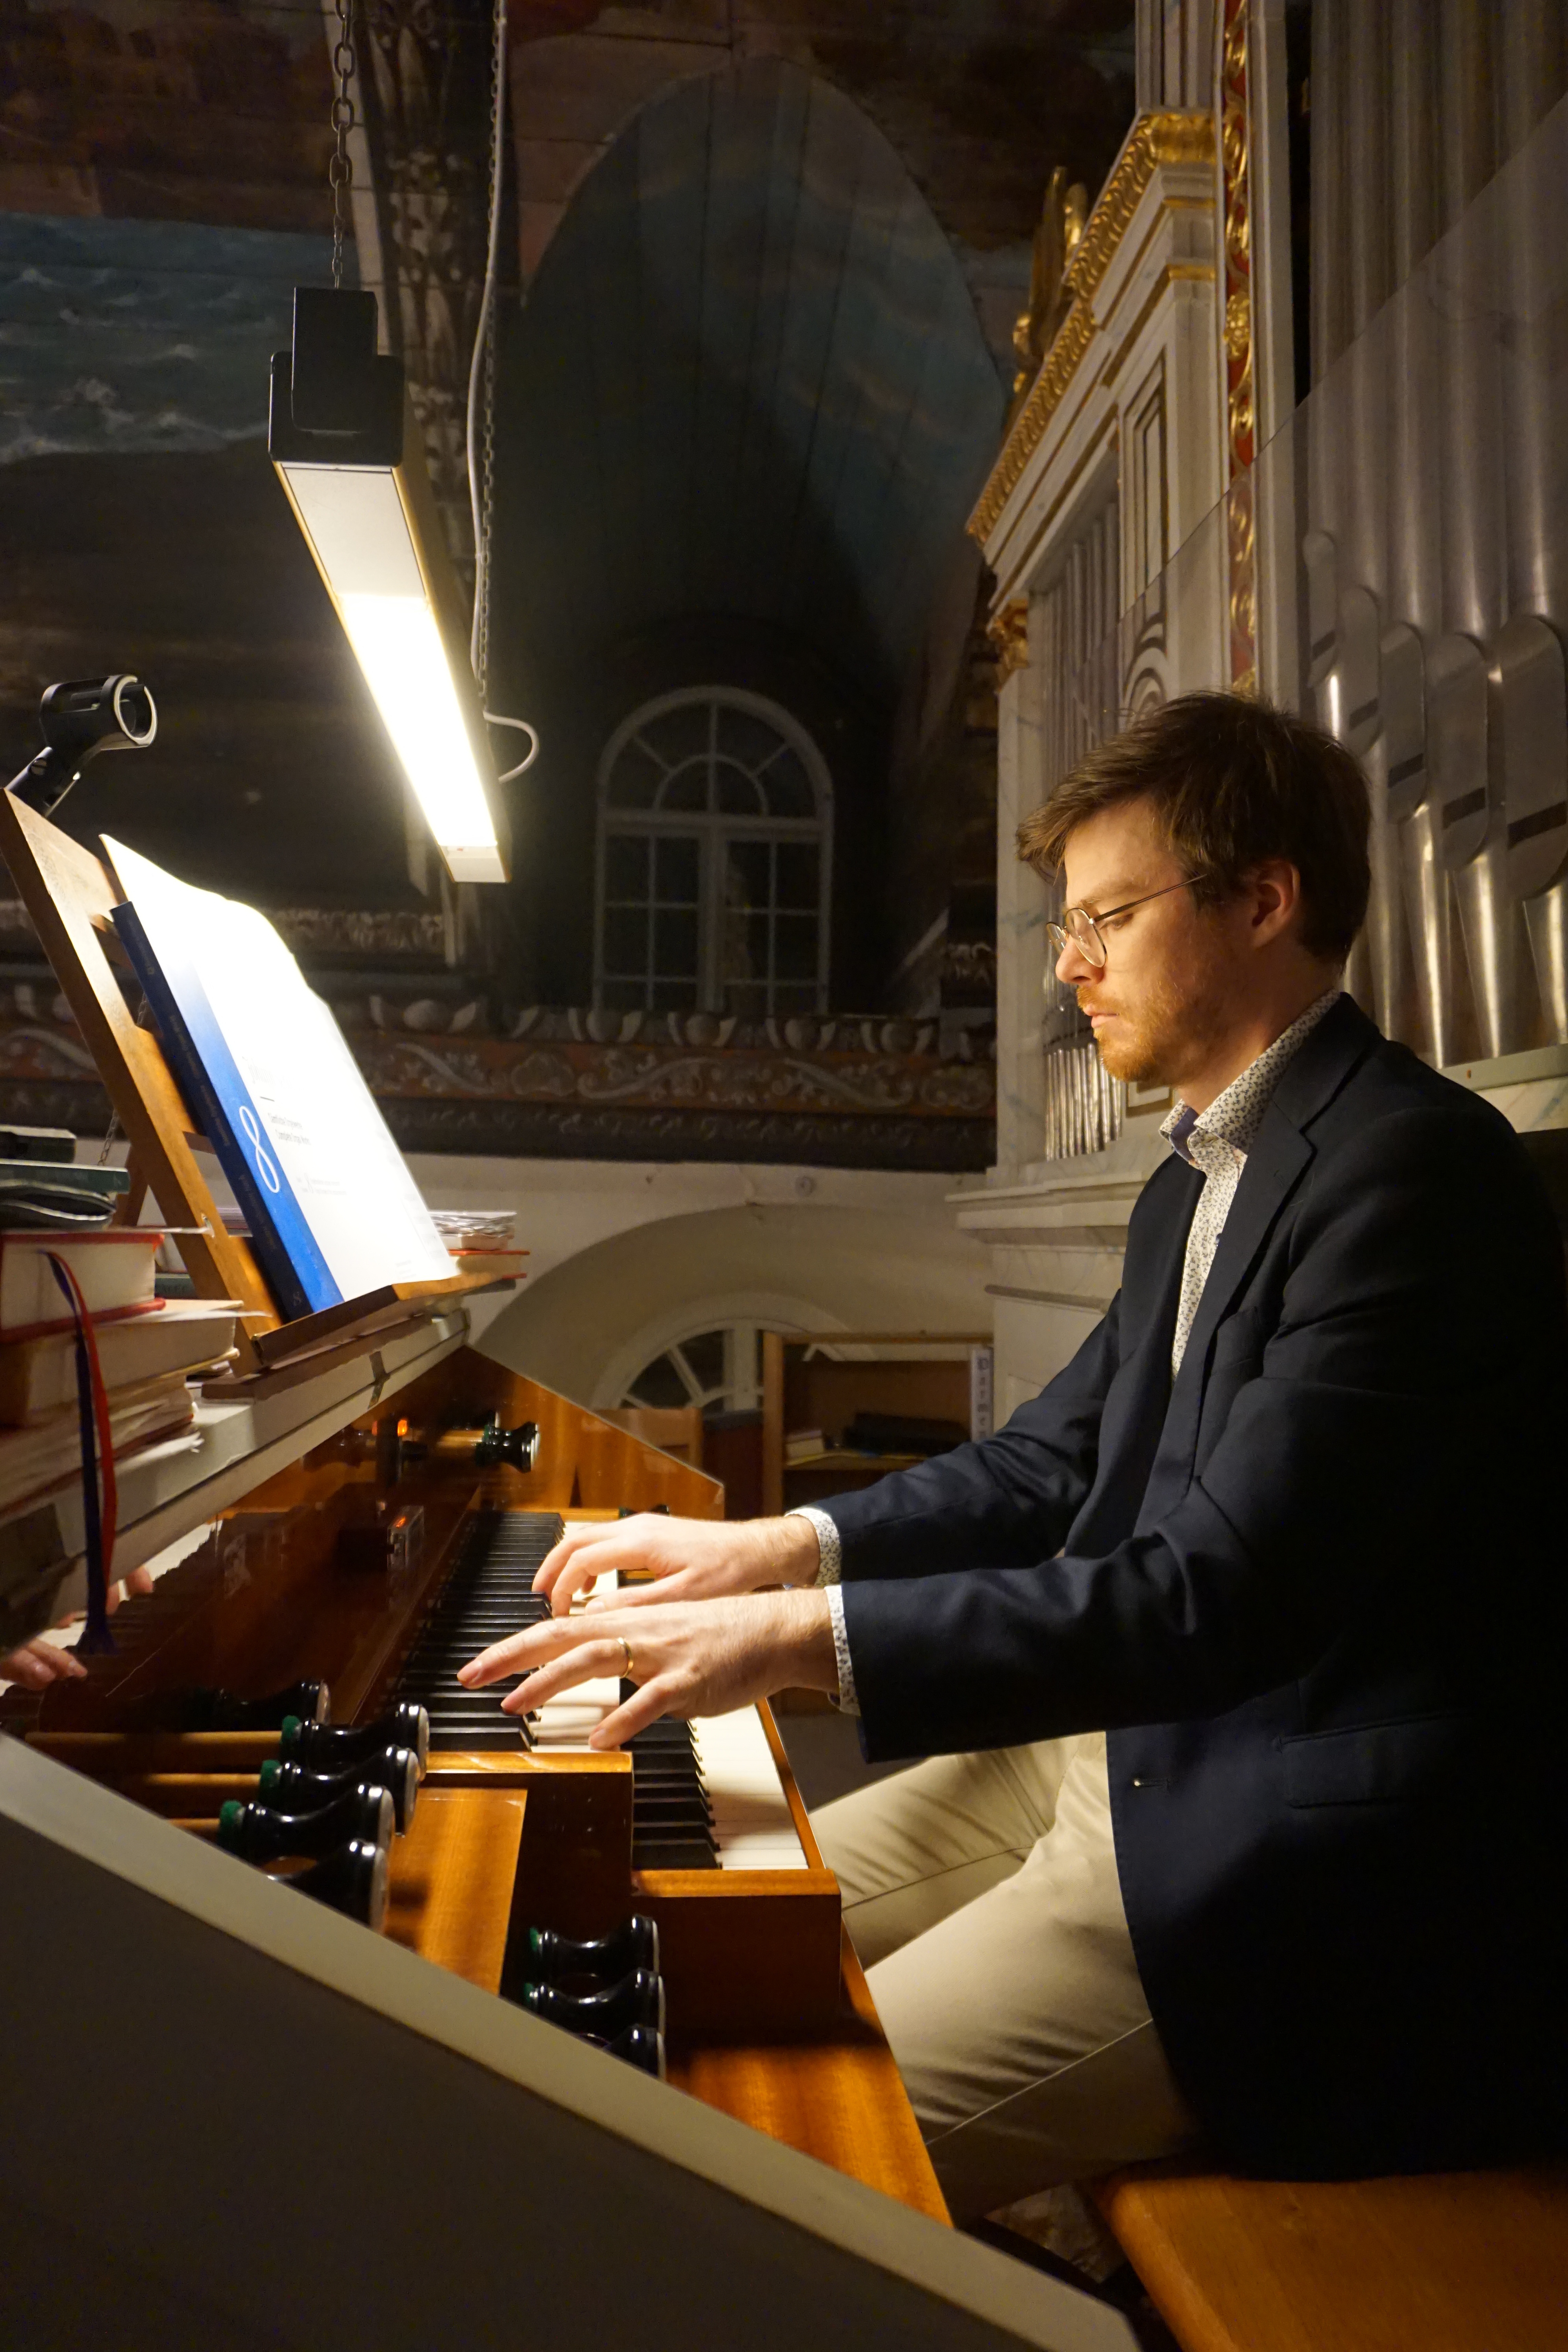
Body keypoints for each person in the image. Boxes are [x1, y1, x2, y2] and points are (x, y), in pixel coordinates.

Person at [460, 691, 1567, 2204]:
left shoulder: (1415, 1176)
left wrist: (791, 1640)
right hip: (1106, 1759)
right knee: (673, 1971)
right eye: (1067, 924)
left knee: (715, 2164)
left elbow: (1214, 1600)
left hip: (1283, 1867)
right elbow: (1048, 1465)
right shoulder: (1202, 1173)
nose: (1068, 965)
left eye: (1107, 915)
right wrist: (765, 1550)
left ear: (1263, 899)